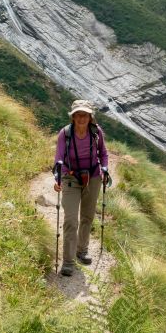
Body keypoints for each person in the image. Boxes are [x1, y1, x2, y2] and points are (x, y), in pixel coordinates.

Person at [53, 99, 109, 276]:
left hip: (93, 177)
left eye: (84, 114)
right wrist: (58, 177)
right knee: (71, 219)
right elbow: (59, 158)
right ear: (73, 117)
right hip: (70, 177)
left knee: (87, 216)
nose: (81, 118)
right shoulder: (65, 134)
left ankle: (82, 251)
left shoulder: (96, 132)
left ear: (90, 117)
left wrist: (105, 169)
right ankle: (68, 261)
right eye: (78, 115)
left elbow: (104, 153)